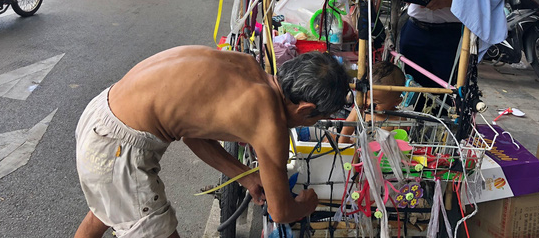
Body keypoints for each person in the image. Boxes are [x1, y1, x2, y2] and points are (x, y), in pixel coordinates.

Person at [74, 47, 350, 238]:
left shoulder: (246, 65)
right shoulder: (270, 121)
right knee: (128, 208)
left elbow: (191, 132)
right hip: (118, 147)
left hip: (102, 113)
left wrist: (246, 177)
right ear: (305, 109)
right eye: (318, 117)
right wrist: (307, 203)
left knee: (109, 206)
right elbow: (281, 212)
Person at [399, 0, 462, 88]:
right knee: (414, 84)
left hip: (449, 33)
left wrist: (442, 2)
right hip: (415, 29)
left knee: (446, 87)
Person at [338, 61, 405, 144]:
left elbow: (401, 145)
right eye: (367, 97)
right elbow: (346, 131)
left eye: (377, 102)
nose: (369, 103)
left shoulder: (398, 119)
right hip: (358, 152)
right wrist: (342, 149)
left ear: (397, 102)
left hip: (384, 155)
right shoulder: (359, 110)